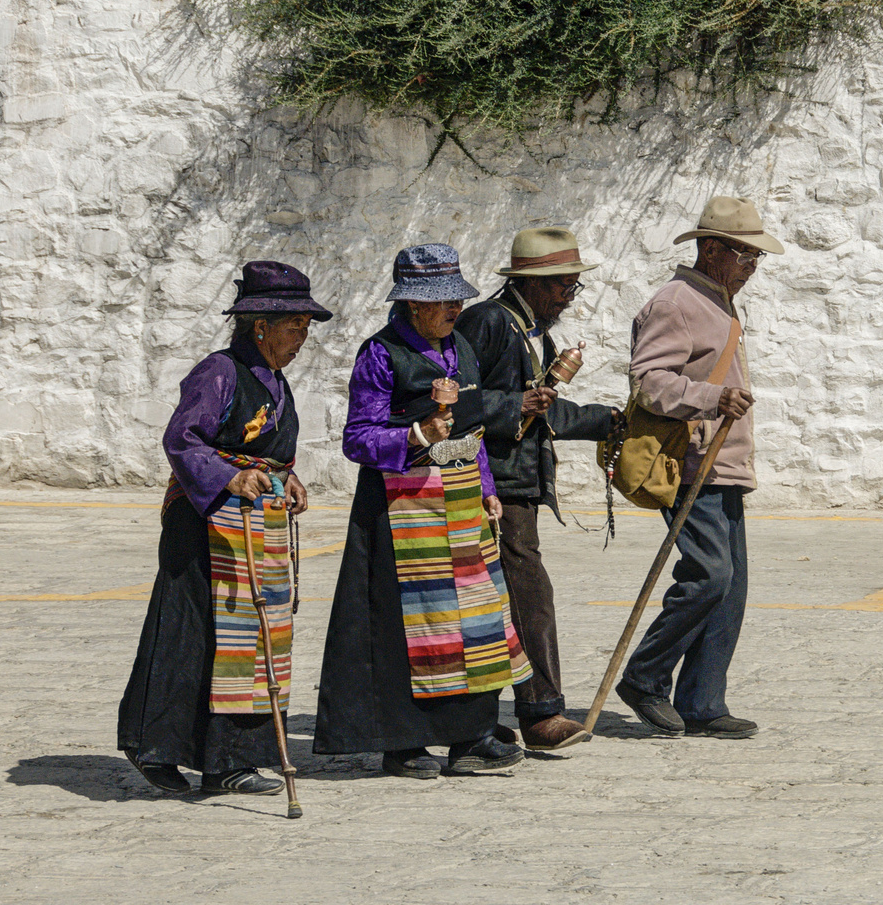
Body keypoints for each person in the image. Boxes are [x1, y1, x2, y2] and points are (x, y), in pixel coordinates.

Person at [313, 244, 529, 780]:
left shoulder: (461, 349)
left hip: (460, 508)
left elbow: (472, 430)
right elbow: (357, 439)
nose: (455, 308)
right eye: (442, 301)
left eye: (457, 298)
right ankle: (403, 743)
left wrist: (485, 486)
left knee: (475, 622)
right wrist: (415, 434)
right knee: (407, 626)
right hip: (401, 511)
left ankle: (470, 736)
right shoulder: (381, 354)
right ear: (412, 305)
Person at [118, 260, 332, 796]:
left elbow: (263, 452)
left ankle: (229, 760)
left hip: (256, 528)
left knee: (248, 640)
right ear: (258, 325)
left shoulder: (274, 381)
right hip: (203, 524)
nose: (302, 336)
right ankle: (156, 747)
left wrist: (289, 477)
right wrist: (230, 479)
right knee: (192, 637)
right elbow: (183, 440)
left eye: (306, 325)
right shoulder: (219, 371)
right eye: (293, 325)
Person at [613, 197, 784, 739]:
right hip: (692, 465)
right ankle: (644, 676)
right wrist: (712, 397)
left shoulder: (720, 301)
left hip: (725, 465)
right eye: (744, 254)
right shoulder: (677, 302)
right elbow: (649, 381)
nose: (752, 265)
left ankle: (703, 702)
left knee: (730, 589)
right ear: (710, 249)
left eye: (757, 256)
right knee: (710, 577)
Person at [456, 227, 618, 751]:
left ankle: (480, 718)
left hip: (519, 485)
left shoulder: (530, 329)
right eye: (563, 285)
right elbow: (451, 403)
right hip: (493, 487)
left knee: (502, 599)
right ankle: (541, 716)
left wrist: (609, 420)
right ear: (534, 282)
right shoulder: (487, 323)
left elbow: (543, 413)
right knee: (529, 595)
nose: (569, 294)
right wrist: (511, 407)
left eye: (573, 285)